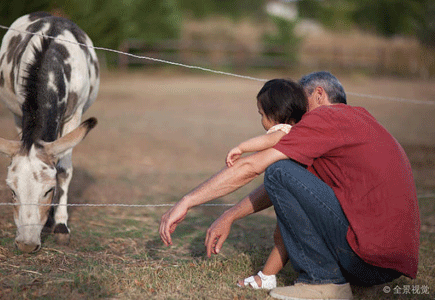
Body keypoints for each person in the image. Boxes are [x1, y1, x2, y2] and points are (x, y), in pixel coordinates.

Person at [159, 71, 420, 300]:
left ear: (319, 95)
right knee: (283, 172)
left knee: (277, 170)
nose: (295, 115)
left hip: (368, 259)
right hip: (388, 265)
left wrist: (187, 201)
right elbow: (291, 189)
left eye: (300, 103)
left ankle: (323, 282)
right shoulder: (360, 120)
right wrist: (230, 215)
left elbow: (257, 168)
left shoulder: (324, 119)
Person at [225, 79, 307, 290]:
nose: (261, 119)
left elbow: (269, 140)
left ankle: (268, 276)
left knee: (282, 237)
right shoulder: (304, 130)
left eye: (262, 114)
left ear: (277, 113)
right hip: (300, 196)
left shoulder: (286, 131)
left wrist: (241, 147)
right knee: (284, 236)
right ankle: (272, 274)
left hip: (297, 199)